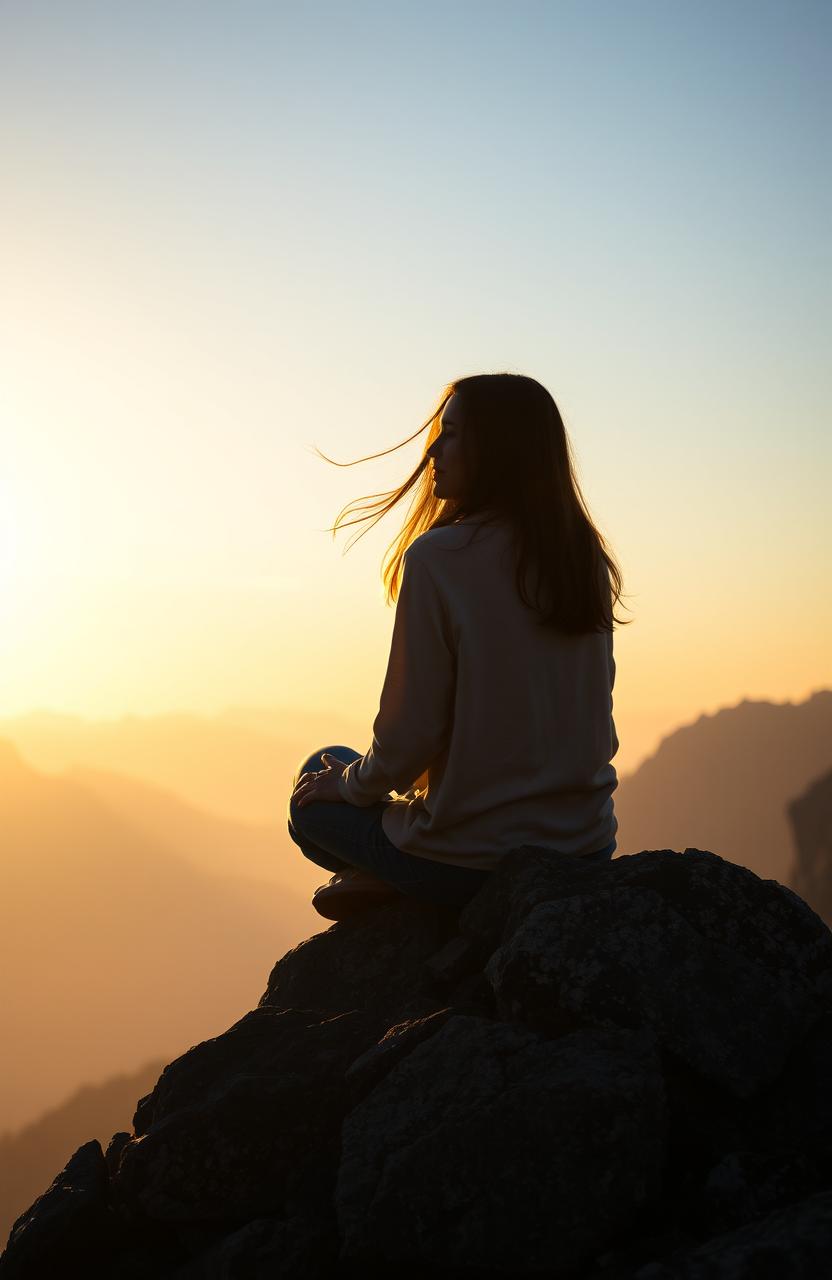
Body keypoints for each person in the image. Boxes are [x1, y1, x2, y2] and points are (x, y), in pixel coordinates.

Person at [287, 372, 631, 920]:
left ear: (497, 451)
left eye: (451, 436)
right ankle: (387, 876)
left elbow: (408, 737)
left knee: (312, 789)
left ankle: (395, 880)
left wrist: (355, 786)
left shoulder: (439, 558)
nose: (433, 453)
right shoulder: (579, 554)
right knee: (345, 778)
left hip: (467, 864)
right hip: (585, 848)